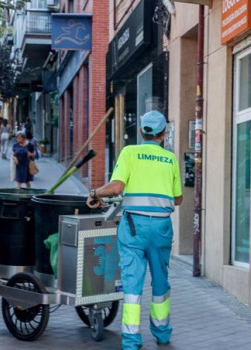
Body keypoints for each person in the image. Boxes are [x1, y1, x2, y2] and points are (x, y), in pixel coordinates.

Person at [86, 110, 182, 350]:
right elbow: (178, 199)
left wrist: (95, 193)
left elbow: (117, 187)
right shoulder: (170, 159)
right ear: (163, 133)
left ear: (140, 131)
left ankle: (131, 340)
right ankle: (162, 333)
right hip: (161, 228)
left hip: (133, 228)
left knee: (132, 284)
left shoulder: (130, 152)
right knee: (160, 282)